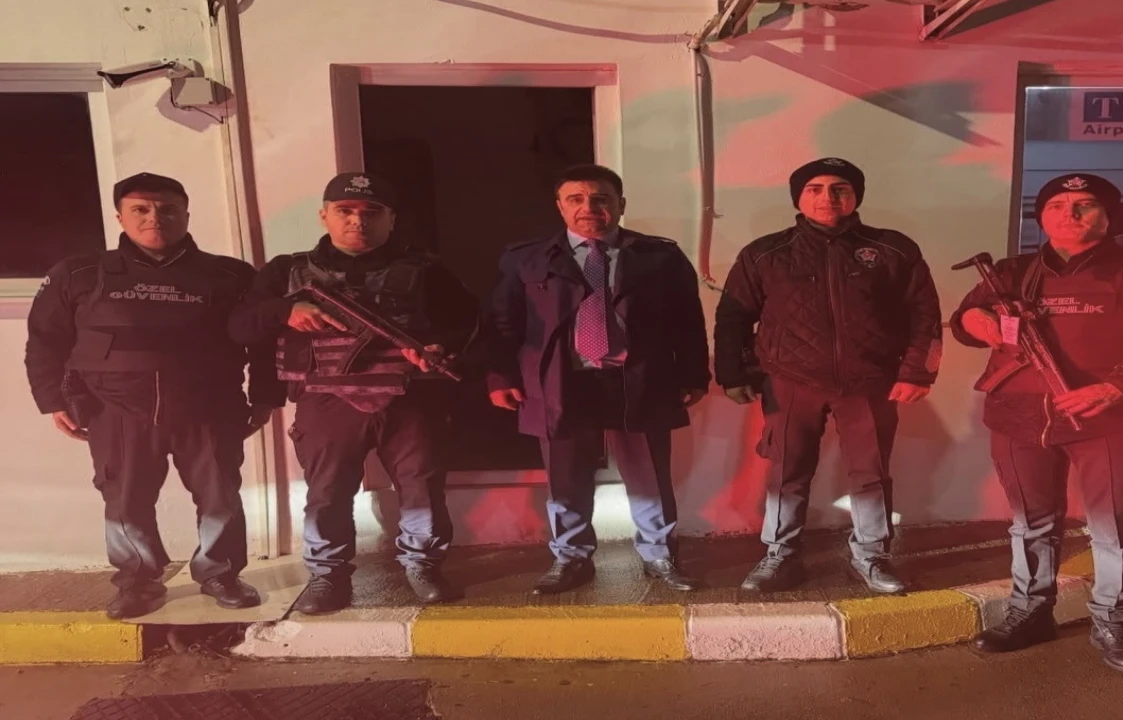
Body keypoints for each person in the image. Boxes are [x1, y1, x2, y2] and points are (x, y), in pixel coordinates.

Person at [953, 173, 1123, 674]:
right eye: (1057, 206)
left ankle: (1113, 622)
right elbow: (965, 319)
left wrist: (1119, 387)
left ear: (1109, 216)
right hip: (1018, 417)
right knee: (1030, 524)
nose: (1069, 215)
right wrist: (974, 321)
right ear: (1041, 217)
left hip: (1112, 419)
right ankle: (1030, 612)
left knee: (1114, 529)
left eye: (1085, 205)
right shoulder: (1010, 271)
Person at [24, 172, 274, 619]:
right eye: (140, 209)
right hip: (115, 411)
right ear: (119, 216)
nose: (154, 218)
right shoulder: (78, 274)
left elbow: (263, 341)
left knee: (220, 496)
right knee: (125, 501)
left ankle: (220, 574)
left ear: (186, 215)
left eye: (167, 209)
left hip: (209, 408)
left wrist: (266, 396)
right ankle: (138, 583)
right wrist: (52, 401)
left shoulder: (230, 275)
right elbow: (45, 340)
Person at [228, 172, 478, 613]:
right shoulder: (286, 271)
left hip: (409, 397)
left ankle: (423, 565)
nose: (358, 221)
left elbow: (466, 322)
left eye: (371, 212)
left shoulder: (426, 271)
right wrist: (285, 310)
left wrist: (441, 347)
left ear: (391, 219)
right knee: (327, 492)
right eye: (345, 211)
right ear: (324, 215)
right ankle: (327, 576)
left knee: (422, 488)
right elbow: (240, 327)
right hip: (325, 398)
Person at [714, 157, 942, 594]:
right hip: (789, 381)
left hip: (871, 382)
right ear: (798, 198)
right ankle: (780, 554)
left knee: (871, 472)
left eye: (839, 188)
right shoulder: (764, 253)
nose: (827, 198)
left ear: (856, 196)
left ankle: (871, 555)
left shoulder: (893, 248)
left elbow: (925, 314)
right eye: (814, 189)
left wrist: (919, 372)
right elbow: (733, 317)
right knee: (787, 470)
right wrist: (733, 373)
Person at [487, 164, 710, 594]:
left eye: (601, 199)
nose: (588, 207)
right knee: (565, 478)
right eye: (576, 199)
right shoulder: (526, 259)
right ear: (560, 206)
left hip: (638, 378)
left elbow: (687, 322)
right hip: (561, 382)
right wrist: (500, 376)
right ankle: (571, 558)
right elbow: (502, 323)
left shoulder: (659, 256)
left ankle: (660, 555)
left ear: (620, 205)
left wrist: (694, 374)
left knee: (649, 475)